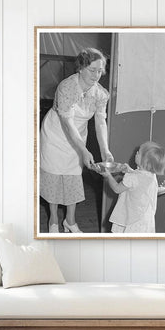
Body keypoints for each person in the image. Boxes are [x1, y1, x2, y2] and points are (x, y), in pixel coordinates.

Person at [40, 47, 114, 233]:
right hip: (56, 134)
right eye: (92, 70)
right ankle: (54, 221)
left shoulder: (101, 94)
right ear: (80, 68)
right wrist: (83, 149)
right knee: (54, 176)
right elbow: (67, 123)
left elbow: (100, 122)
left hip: (77, 136)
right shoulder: (66, 87)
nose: (96, 75)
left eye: (100, 71)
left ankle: (70, 221)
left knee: (73, 176)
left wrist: (105, 150)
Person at [100, 141, 165, 233]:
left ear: (145, 161)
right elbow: (139, 181)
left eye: (139, 153)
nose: (136, 154)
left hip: (132, 220)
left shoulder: (133, 178)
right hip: (144, 219)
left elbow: (117, 189)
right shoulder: (151, 176)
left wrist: (108, 176)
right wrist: (130, 170)